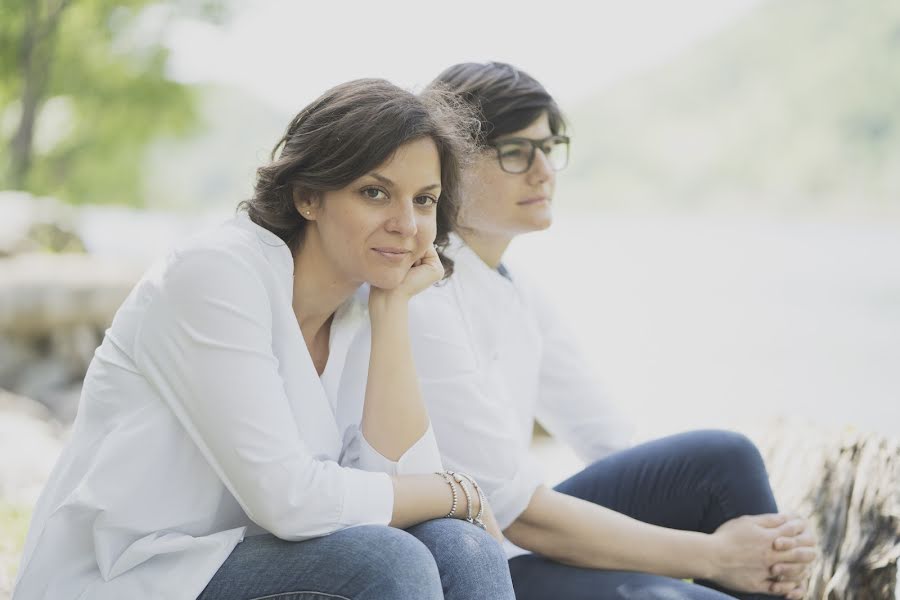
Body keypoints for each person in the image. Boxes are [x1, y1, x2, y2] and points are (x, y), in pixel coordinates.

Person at [12, 79, 515, 600]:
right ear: (308, 196)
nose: (407, 225)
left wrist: (391, 315)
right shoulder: (217, 275)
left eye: (424, 200)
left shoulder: (368, 304)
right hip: (130, 574)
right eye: (374, 192)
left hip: (263, 560)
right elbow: (290, 501)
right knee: (389, 561)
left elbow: (400, 489)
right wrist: (458, 489)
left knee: (458, 545)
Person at [398, 62, 818, 600]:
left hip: (519, 537)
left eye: (550, 148)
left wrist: (765, 548)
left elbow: (609, 441)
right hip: (470, 561)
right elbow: (513, 510)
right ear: (449, 165)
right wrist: (714, 556)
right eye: (516, 152)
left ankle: (771, 574)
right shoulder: (425, 295)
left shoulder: (515, 289)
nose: (544, 170)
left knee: (723, 459)